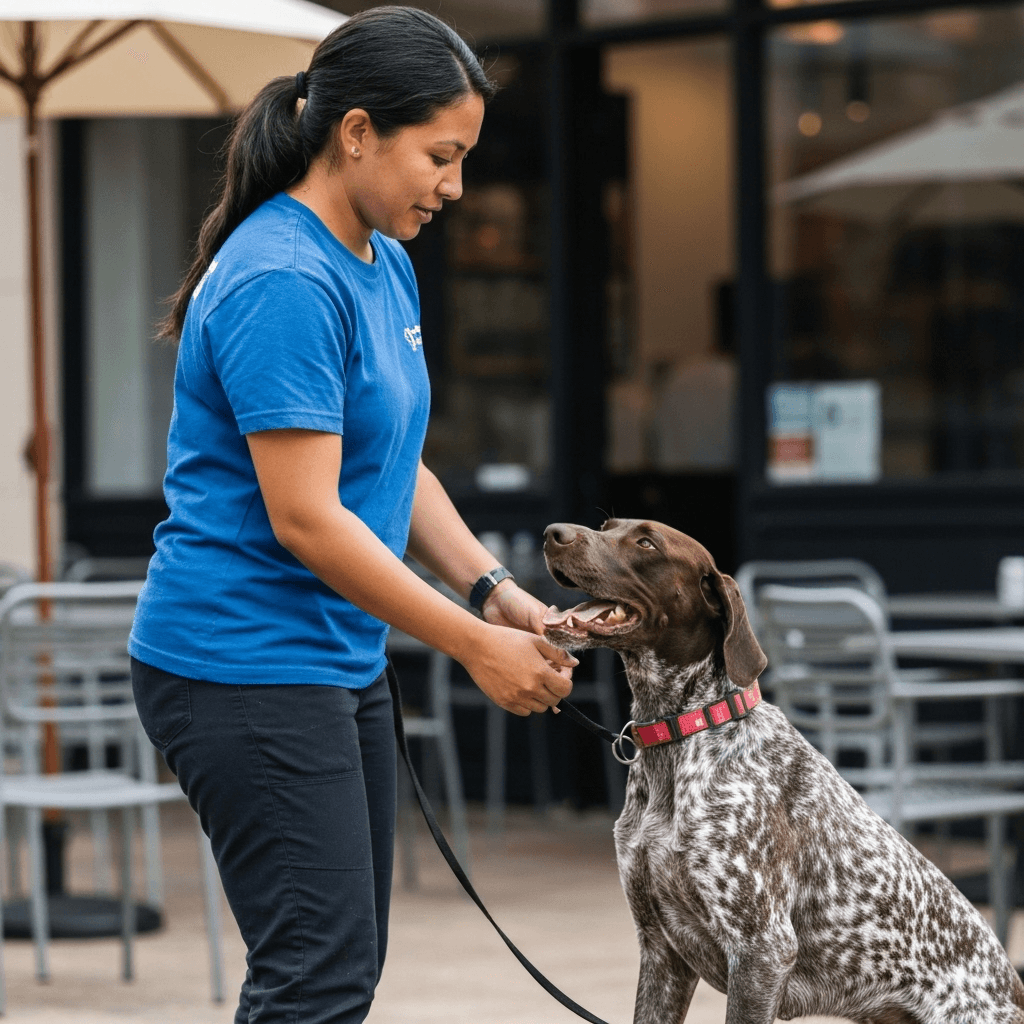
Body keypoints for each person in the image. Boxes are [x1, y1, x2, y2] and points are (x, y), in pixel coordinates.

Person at [127, 9, 577, 1022]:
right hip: (241, 663)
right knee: (314, 982)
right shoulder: (283, 276)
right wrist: (469, 645)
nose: (454, 187)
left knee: (335, 975)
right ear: (359, 130)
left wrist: (495, 592)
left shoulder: (380, 259)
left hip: (328, 658)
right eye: (440, 156)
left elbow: (396, 461)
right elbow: (308, 519)